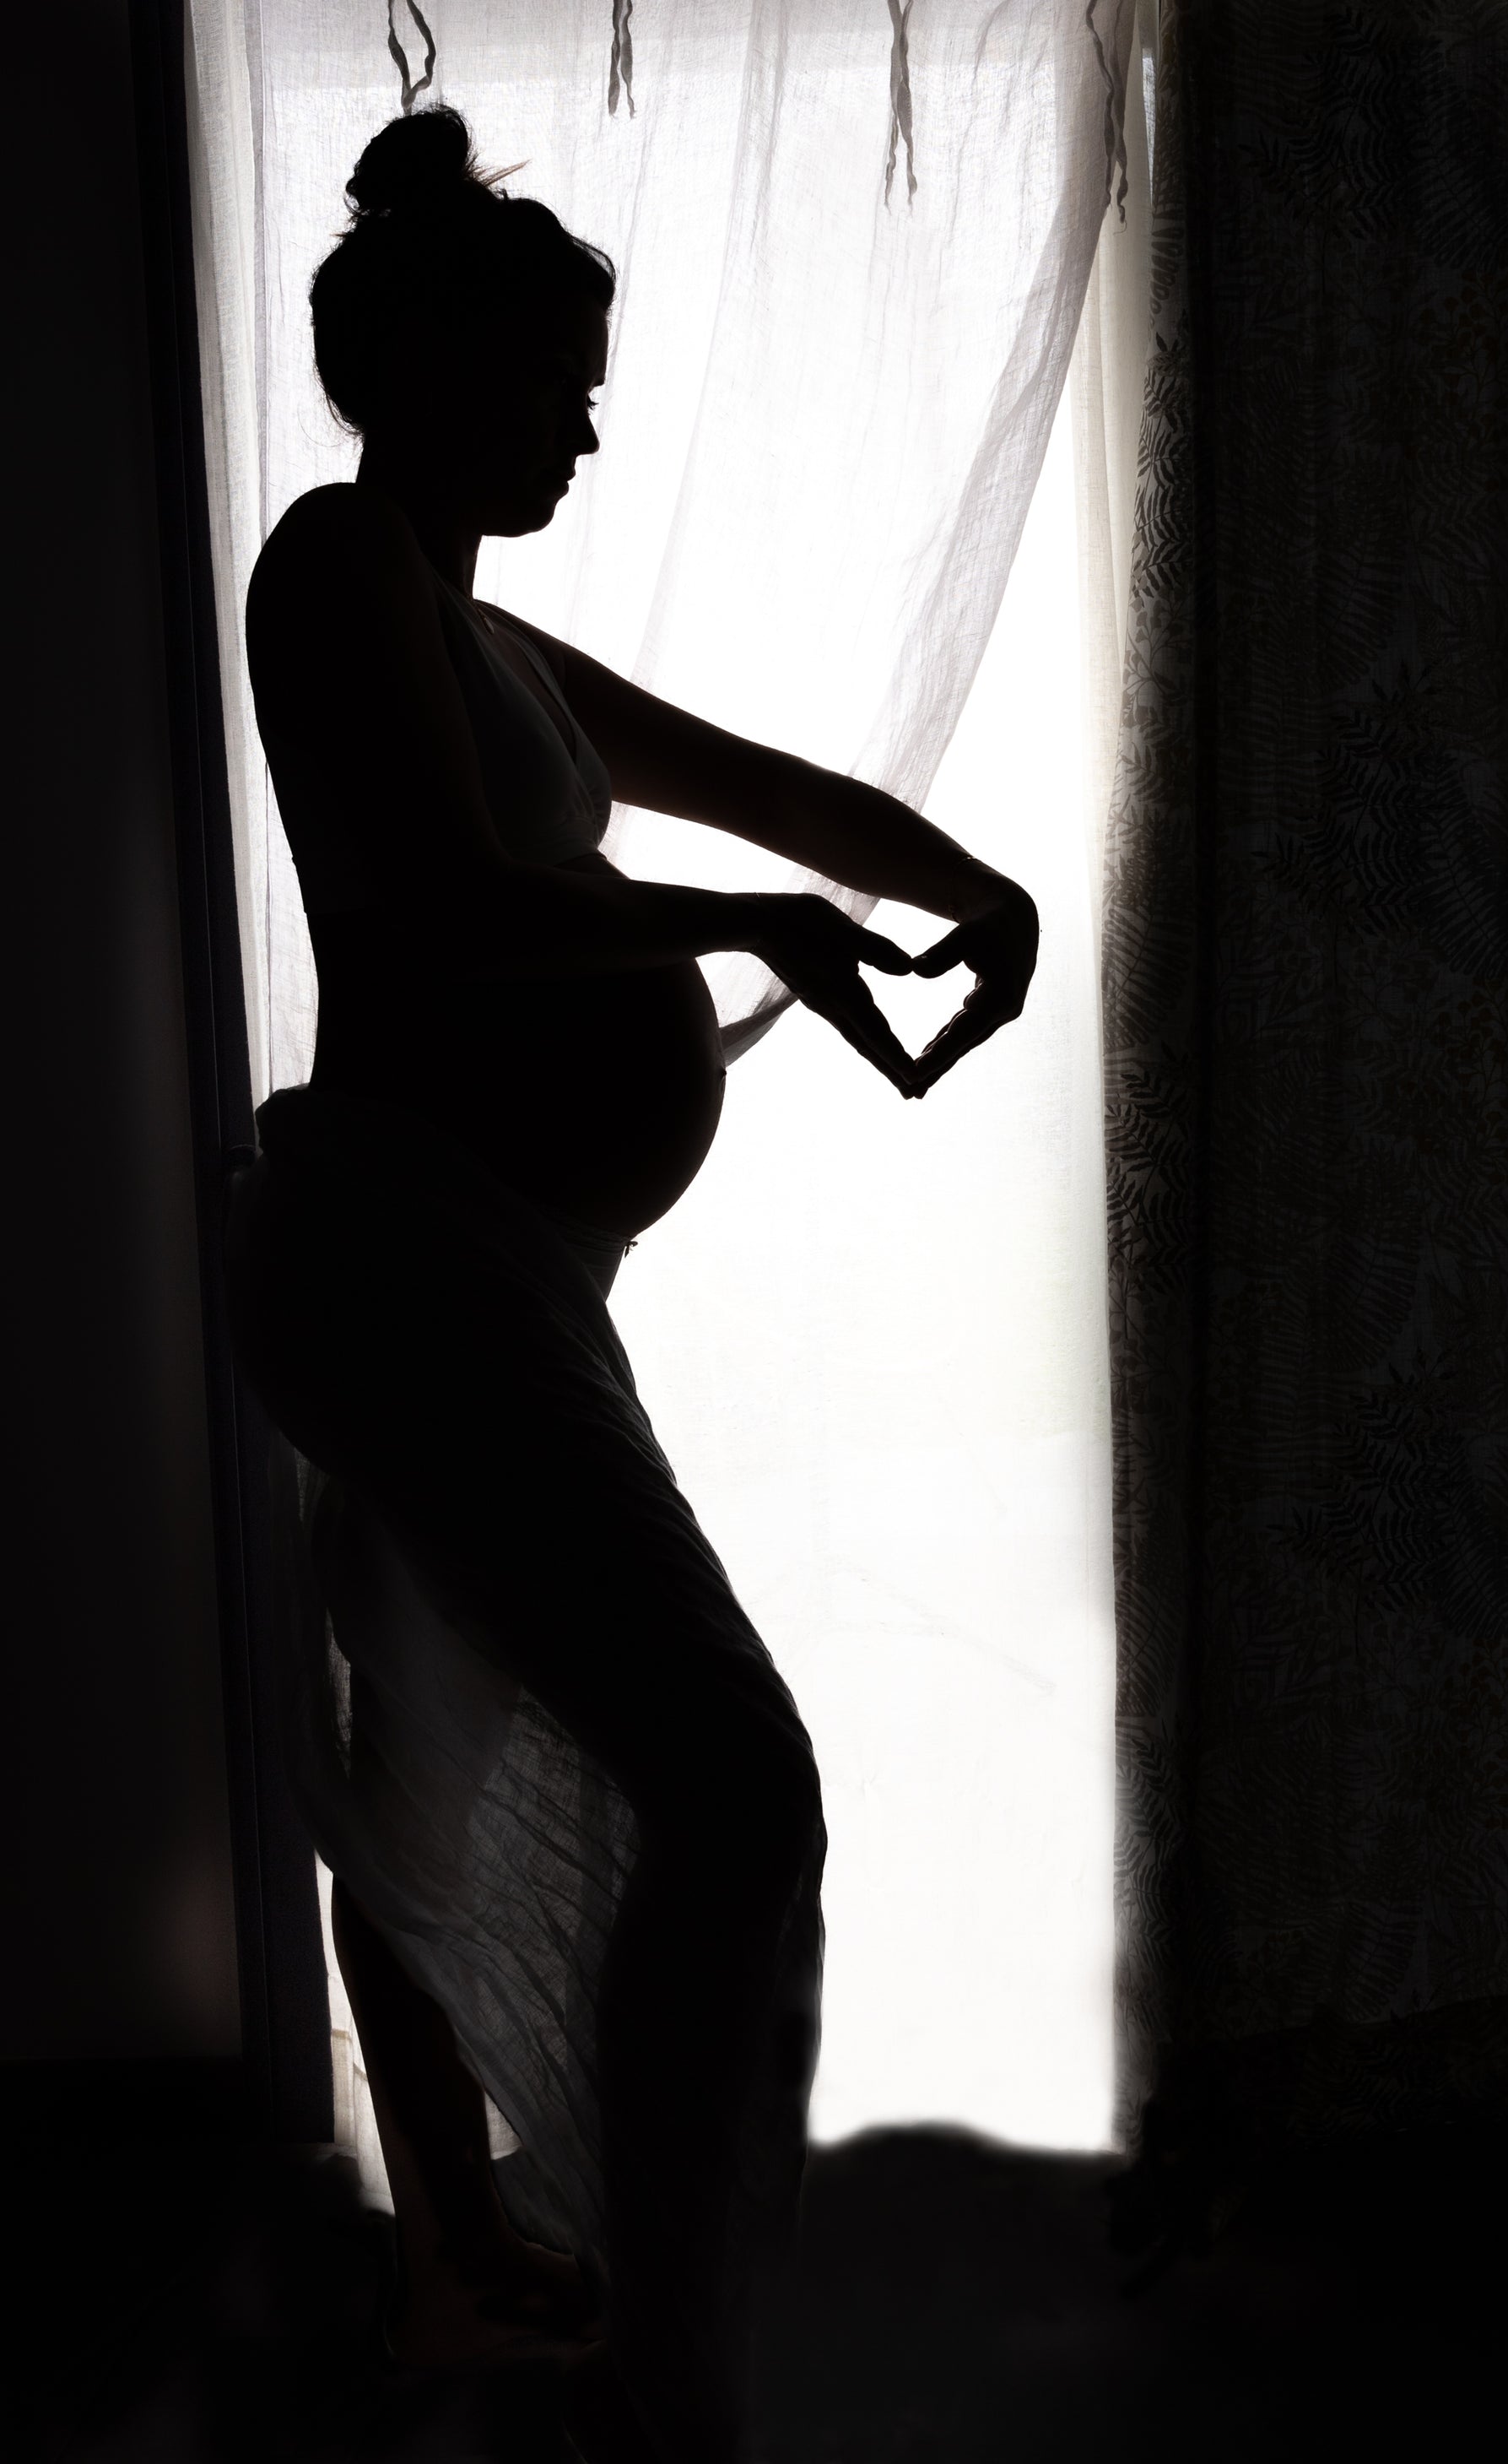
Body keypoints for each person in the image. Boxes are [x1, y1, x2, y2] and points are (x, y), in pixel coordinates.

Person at [224, 104, 1039, 2464]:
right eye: (557, 386)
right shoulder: (335, 566)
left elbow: (783, 795)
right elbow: (441, 903)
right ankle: (667, 2380)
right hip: (409, 1259)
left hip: (490, 1271)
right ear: (436, 373)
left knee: (435, 1762)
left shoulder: (490, 636)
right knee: (732, 1780)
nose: (585, 430)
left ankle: (459, 2267)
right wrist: (764, 924)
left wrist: (966, 886)